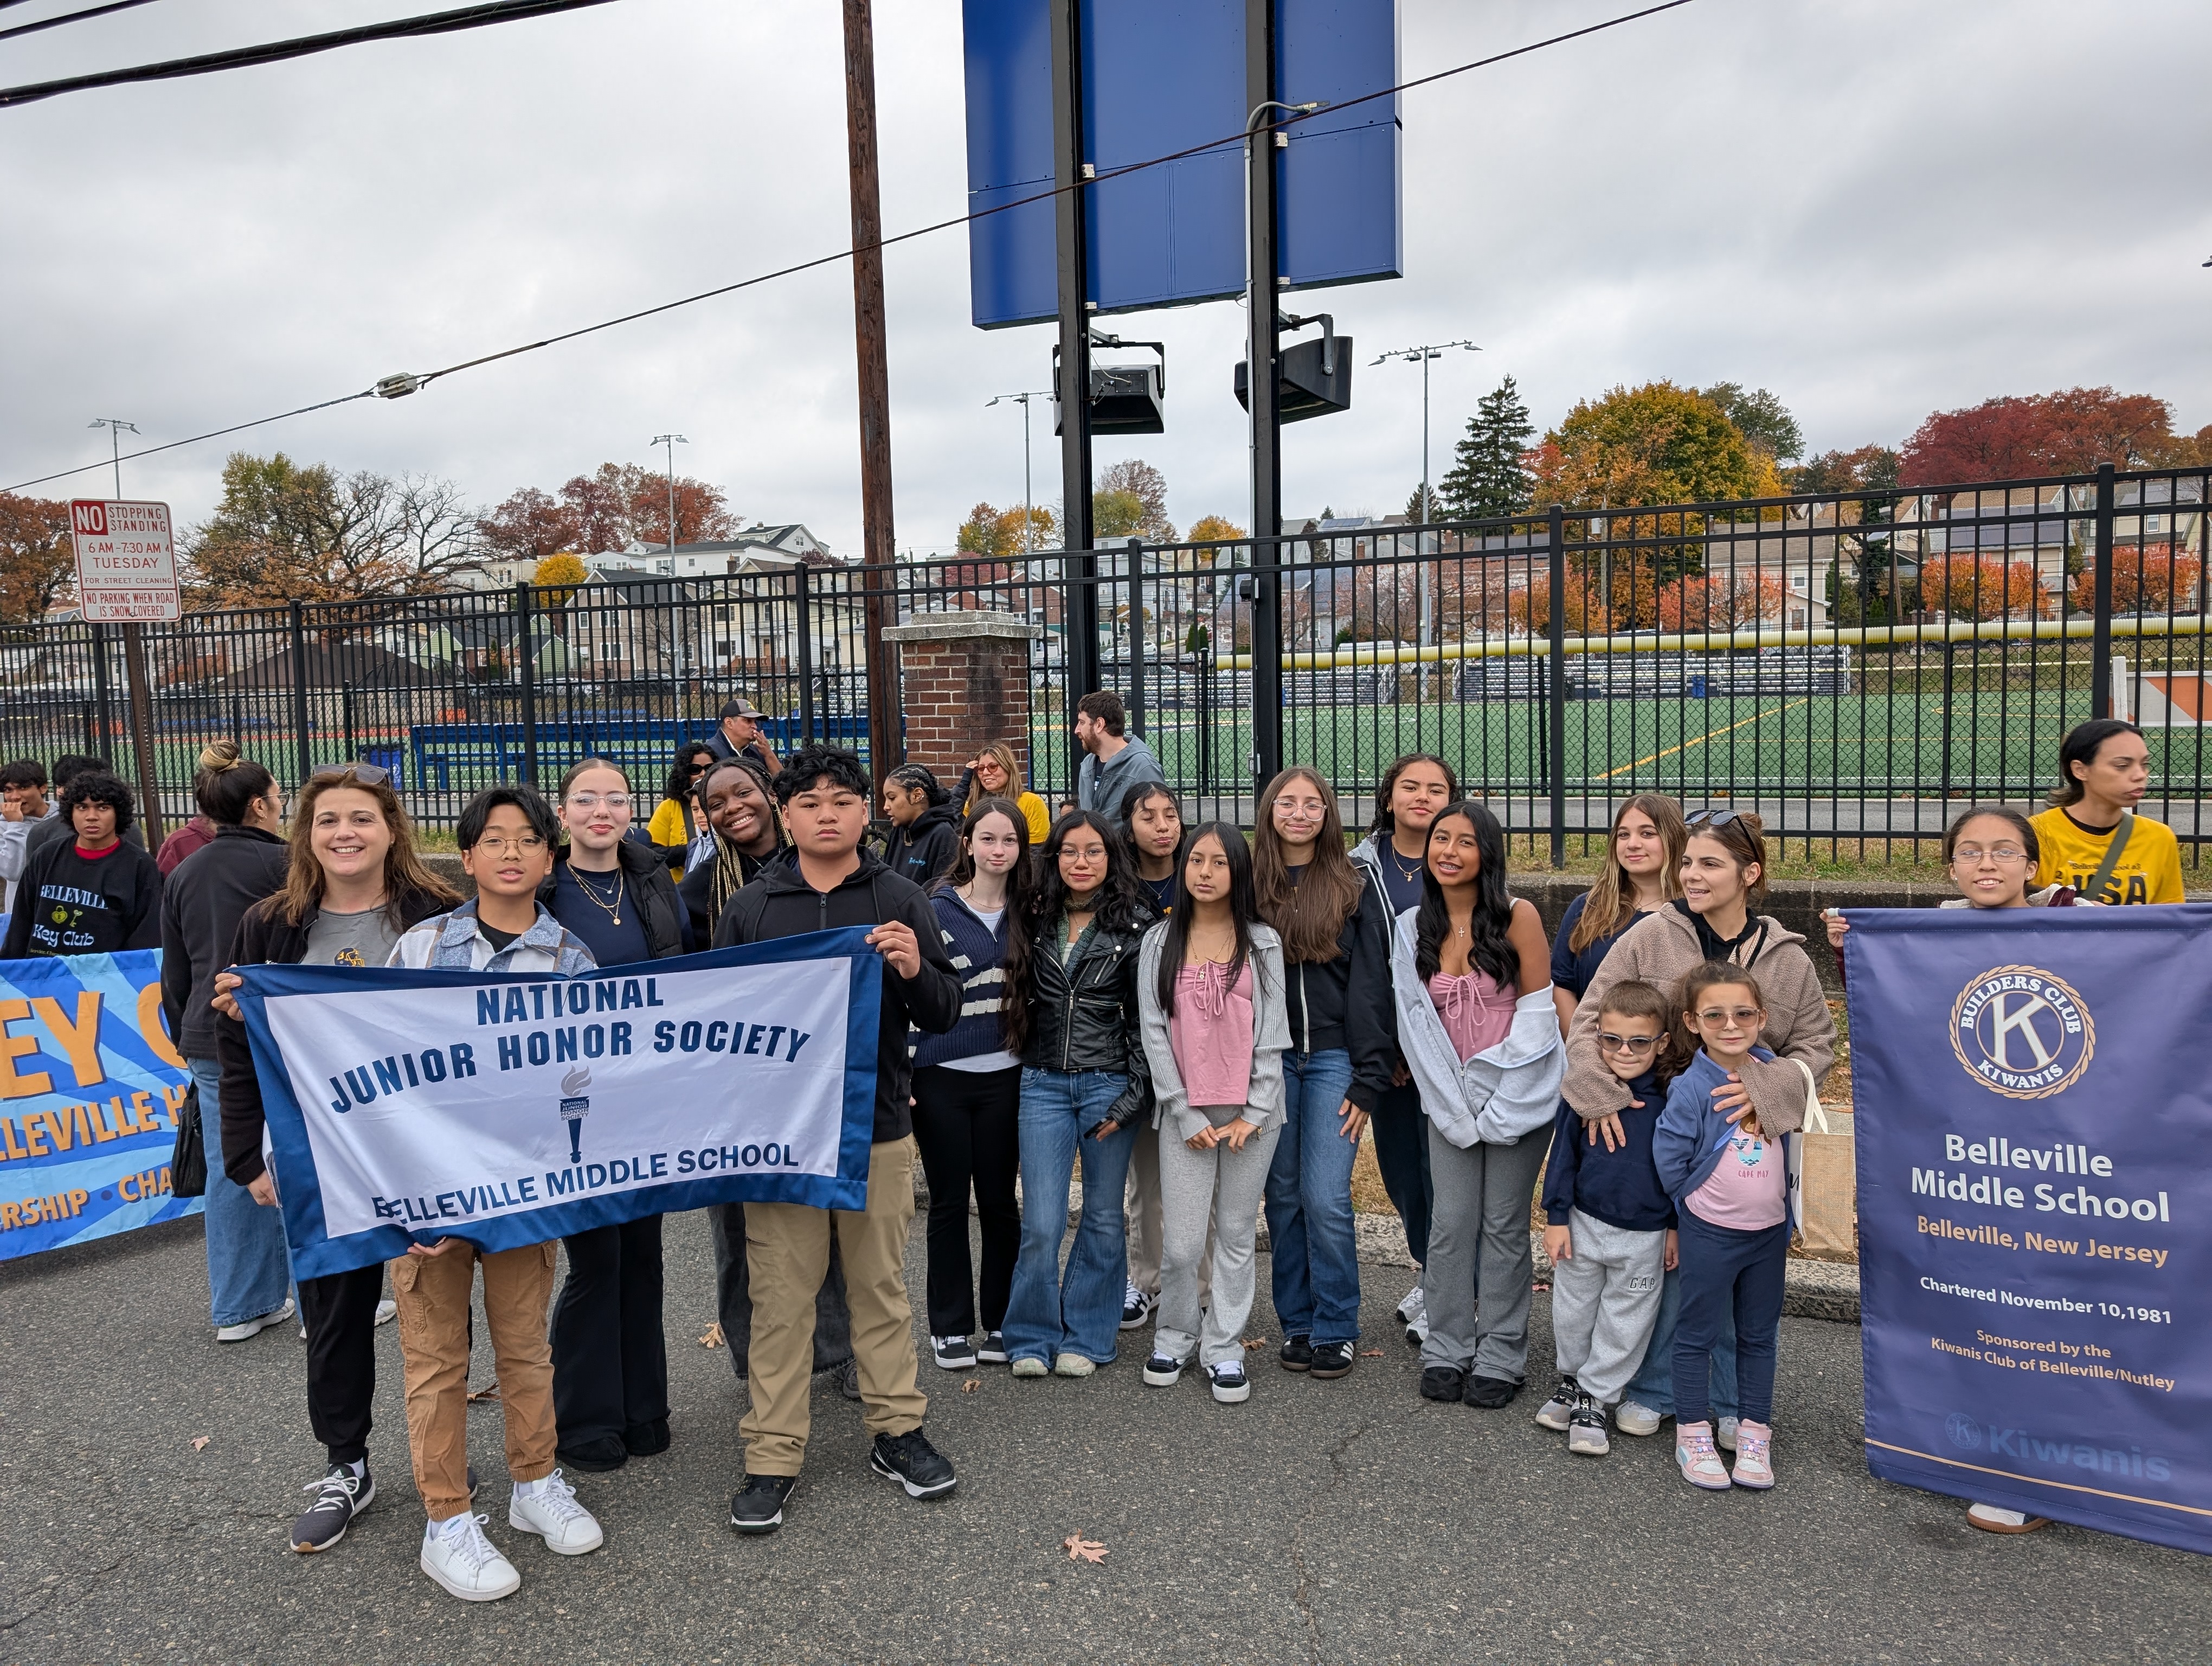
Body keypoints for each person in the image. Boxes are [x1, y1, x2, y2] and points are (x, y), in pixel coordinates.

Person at [1827, 803, 2104, 1533]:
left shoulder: (2084, 926)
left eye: (2005, 850)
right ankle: (1971, 1448)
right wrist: (1854, 954)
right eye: (1971, 851)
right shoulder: (1925, 939)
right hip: (1963, 1160)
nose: (1987, 863)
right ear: (1949, 866)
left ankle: (2044, 1471)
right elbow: (1901, 1032)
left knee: (2049, 1306)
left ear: (2034, 865)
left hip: (2055, 1158)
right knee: (1972, 1303)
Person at [711, 745, 962, 1534]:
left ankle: (897, 1431)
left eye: (842, 799)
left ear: (865, 811)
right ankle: (773, 1455)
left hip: (876, 1129)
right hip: (779, 1140)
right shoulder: (753, 908)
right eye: (810, 801)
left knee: (877, 1289)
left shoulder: (898, 897)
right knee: (780, 1300)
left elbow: (944, 1009)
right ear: (787, 816)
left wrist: (917, 968)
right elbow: (716, 1024)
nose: (826, 812)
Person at [213, 761, 458, 1555]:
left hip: (422, 1149)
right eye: (327, 821)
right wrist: (246, 1155)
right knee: (334, 1313)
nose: (344, 833)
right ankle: (346, 1463)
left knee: (440, 1307)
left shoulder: (441, 914)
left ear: (392, 829)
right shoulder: (271, 923)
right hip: (322, 1153)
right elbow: (236, 1040)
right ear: (306, 835)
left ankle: (443, 1455)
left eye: (361, 818)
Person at [385, 784, 604, 1601]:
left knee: (526, 1345)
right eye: (494, 840)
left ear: (550, 861)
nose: (511, 853)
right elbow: (379, 1073)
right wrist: (405, 1192)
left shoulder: (568, 957)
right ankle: (447, 1519)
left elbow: (585, 1077)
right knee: (436, 1357)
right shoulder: (418, 948)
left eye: (527, 841)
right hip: (430, 1192)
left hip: (523, 1190)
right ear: (467, 856)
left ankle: (534, 1483)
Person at [1563, 809, 1835, 1447]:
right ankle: (1659, 1388)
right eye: (1687, 862)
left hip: (1751, 1139)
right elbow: (1590, 1021)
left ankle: (1734, 1402)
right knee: (1675, 1262)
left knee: (1737, 1270)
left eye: (1709, 863)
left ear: (1750, 873)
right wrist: (1600, 1092)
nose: (1691, 874)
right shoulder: (1650, 935)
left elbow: (1818, 1044)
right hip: (1661, 1127)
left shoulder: (1787, 957)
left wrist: (1766, 1089)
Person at [537, 759, 688, 1476]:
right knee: (596, 1261)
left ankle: (643, 1408)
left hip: (649, 1095)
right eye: (586, 799)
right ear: (562, 813)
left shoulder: (653, 879)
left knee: (643, 1255)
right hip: (575, 1096)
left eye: (616, 798)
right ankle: (586, 1415)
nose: (603, 809)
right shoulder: (542, 885)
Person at [1388, 800, 1563, 1409]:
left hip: (1518, 1097)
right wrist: (1456, 1102)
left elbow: (1540, 1019)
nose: (1450, 852)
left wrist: (1499, 1095)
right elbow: (1416, 1025)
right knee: (1451, 1224)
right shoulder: (1411, 926)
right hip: (1450, 1102)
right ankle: (1447, 1348)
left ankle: (1500, 1355)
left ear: (1487, 853)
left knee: (1503, 1227)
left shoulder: (1518, 917)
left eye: (1465, 842)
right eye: (1441, 839)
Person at [1135, 822, 1288, 1405]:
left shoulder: (1263, 942)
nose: (1204, 872)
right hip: (1186, 1117)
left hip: (1254, 1117)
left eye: (1219, 863)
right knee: (1181, 1244)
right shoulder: (1159, 941)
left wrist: (1254, 1111)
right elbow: (1153, 1031)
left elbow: (1274, 1036)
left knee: (1235, 1234)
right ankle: (1175, 1334)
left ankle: (1223, 1346)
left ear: (1238, 872)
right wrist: (1182, 1110)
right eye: (1196, 860)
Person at [1001, 810, 1154, 1380]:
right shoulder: (1033, 916)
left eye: (1093, 851)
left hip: (1108, 1082)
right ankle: (1031, 1335)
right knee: (1041, 1221)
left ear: (1111, 857)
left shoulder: (1135, 925)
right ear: (1054, 857)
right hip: (1042, 1082)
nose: (1081, 863)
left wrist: (1134, 1094)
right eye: (1069, 851)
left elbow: (1146, 1022)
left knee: (1104, 1218)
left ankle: (1088, 1333)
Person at [1252, 768, 1393, 1381]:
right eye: (1288, 802)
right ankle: (1299, 1322)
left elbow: (1373, 985)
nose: (1301, 813)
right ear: (1270, 810)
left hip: (1336, 1059)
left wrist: (1370, 1076)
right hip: (1270, 1059)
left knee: (1327, 1196)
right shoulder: (1248, 882)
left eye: (1314, 804)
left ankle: (1337, 1325)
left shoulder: (1355, 885)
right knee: (1281, 1196)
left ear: (1329, 814)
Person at [158, 742, 294, 1345]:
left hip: (203, 1035)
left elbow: (175, 970)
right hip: (276, 1034)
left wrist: (185, 1033)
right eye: (280, 797)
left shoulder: (185, 870)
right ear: (262, 805)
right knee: (301, 1158)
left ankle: (240, 1305)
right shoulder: (289, 867)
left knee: (229, 1167)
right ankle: (326, 1303)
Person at [1653, 963, 1798, 1492]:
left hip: (1769, 1235)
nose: (1730, 1025)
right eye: (1715, 1015)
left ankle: (1755, 1431)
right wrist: (1692, 1202)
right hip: (1710, 1232)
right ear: (1692, 1022)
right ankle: (1693, 1431)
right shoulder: (1693, 1088)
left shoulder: (1777, 1073)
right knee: (1698, 1333)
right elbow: (1669, 1157)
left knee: (1759, 1335)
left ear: (1762, 1017)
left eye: (1743, 1013)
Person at [910, 797, 1031, 1370]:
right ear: (968, 842)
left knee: (1001, 1204)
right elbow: (913, 994)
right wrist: (906, 1068)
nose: (999, 850)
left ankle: (1004, 1320)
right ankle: (951, 1325)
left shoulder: (1030, 911)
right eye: (988, 839)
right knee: (949, 1202)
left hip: (1006, 1077)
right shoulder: (933, 908)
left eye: (1009, 841)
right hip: (941, 1078)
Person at [1535, 979, 1678, 1458]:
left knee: (1625, 1321)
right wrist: (1556, 1217)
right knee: (1573, 1312)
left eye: (1640, 1041)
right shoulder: (1587, 1091)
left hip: (1646, 1235)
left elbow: (1685, 1170)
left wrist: (1676, 1226)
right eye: (1612, 1039)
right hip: (1583, 1224)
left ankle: (1596, 1396)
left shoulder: (1672, 1098)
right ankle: (1574, 1382)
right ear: (1598, 1039)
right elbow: (1562, 1159)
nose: (1625, 1051)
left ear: (1662, 1043)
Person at [1348, 751, 1458, 1342]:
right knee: (1402, 1175)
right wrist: (1382, 1050)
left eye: (1436, 789)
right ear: (1388, 798)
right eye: (1409, 787)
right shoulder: (1356, 869)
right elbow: (1354, 970)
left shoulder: (1463, 861)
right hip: (1387, 1055)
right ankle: (1428, 1267)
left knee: (1444, 1171)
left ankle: (1449, 1286)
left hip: (1449, 1050)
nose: (1423, 796)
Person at [1117, 778, 1185, 1328]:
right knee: (1146, 1179)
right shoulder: (1116, 892)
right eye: (1149, 817)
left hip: (1197, 1051)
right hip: (1136, 1054)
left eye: (1170, 815)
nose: (1162, 826)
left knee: (1198, 1178)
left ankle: (1198, 1289)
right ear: (1129, 826)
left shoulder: (1202, 879)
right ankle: (1144, 1281)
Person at [1552, 794, 1687, 1034]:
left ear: (1673, 839)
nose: (1632, 844)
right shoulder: (1588, 908)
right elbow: (1562, 986)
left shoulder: (1693, 913)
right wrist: (1585, 1047)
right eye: (1624, 834)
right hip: (1593, 1052)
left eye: (1647, 833)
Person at [2, 768, 162, 959]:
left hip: (106, 980)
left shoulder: (140, 866)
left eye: (103, 807)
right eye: (82, 807)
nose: (91, 816)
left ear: (118, 813)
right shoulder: (46, 856)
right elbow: (22, 922)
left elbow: (147, 937)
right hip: (44, 975)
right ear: (71, 812)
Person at [2029, 719, 2184, 906]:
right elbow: (2025, 915)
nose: (2140, 775)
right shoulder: (2038, 834)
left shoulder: (2159, 838)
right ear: (2080, 770)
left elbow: (2171, 922)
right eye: (2122, 766)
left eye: (2144, 764)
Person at [679, 754, 787, 944]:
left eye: (744, 793)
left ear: (771, 794)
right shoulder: (699, 888)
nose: (732, 808)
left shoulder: (814, 861)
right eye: (717, 805)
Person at [24, 754, 146, 861]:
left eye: (67, 786)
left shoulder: (129, 832)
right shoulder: (41, 834)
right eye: (59, 785)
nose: (60, 792)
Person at [1072, 691, 1165, 826]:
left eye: (1082, 722)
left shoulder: (1143, 767)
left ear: (1099, 724)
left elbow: (1158, 822)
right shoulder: (1087, 765)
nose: (1077, 730)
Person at [881, 764, 961, 890]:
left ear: (917, 795)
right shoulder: (899, 830)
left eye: (892, 798)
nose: (886, 806)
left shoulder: (943, 834)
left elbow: (942, 893)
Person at [956, 742, 1051, 844]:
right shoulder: (973, 804)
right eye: (981, 769)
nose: (985, 773)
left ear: (1008, 768)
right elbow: (953, 825)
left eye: (993, 767)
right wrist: (964, 783)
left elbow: (1036, 850)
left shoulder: (1032, 802)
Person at [648, 741, 719, 875]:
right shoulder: (669, 807)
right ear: (684, 773)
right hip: (680, 887)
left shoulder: (725, 804)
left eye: (709, 768)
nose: (703, 774)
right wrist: (691, 850)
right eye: (695, 769)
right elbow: (652, 853)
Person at [0, 756, 55, 912]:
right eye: (8, 790)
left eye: (23, 788)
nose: (15, 796)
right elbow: (12, 872)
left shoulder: (64, 819)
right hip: (21, 914)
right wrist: (15, 825)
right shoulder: (4, 825)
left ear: (43, 788)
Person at [702, 696, 784, 779]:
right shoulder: (709, 752)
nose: (755, 726)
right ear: (729, 723)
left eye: (754, 721)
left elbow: (783, 783)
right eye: (748, 720)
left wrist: (768, 754)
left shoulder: (756, 751)